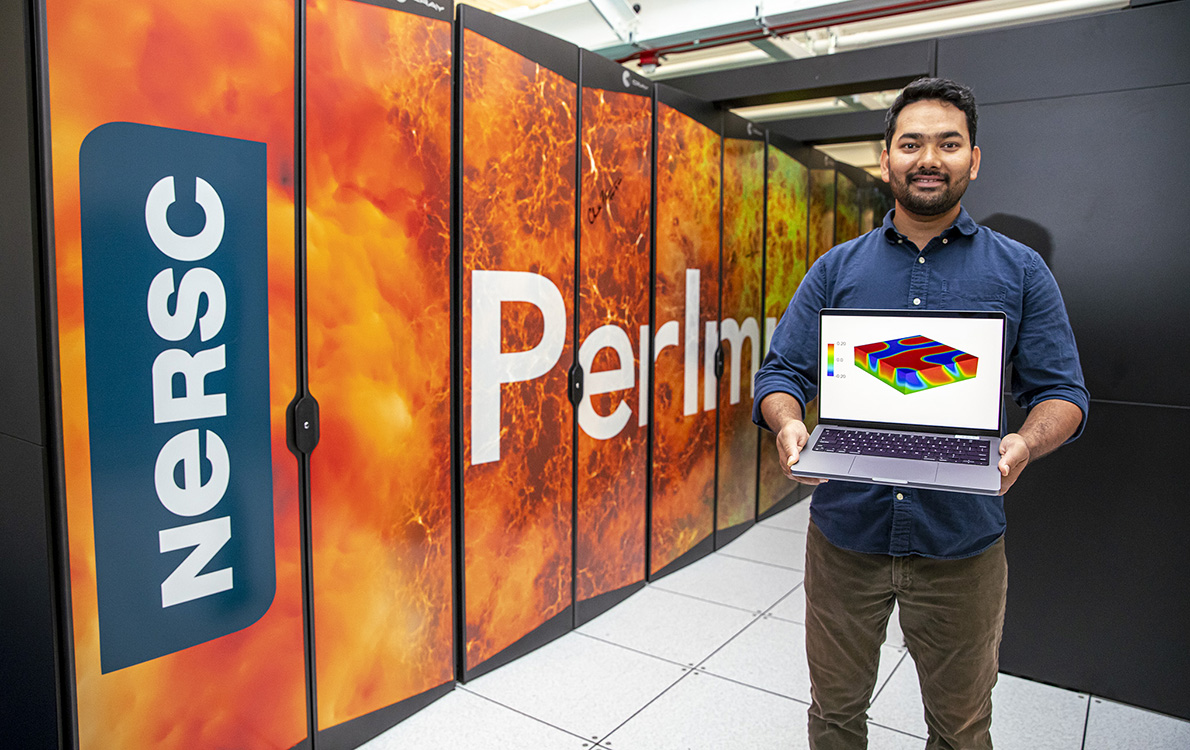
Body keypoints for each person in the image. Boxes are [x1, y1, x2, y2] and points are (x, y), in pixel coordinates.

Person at [752, 77, 1089, 749]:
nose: (928, 159)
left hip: (960, 543)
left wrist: (1022, 443)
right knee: (835, 715)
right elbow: (780, 374)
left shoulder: (1019, 272)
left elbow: (1065, 395)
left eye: (948, 143)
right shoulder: (835, 269)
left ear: (974, 159)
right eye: (911, 143)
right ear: (887, 159)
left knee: (961, 727)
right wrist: (788, 423)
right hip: (847, 536)